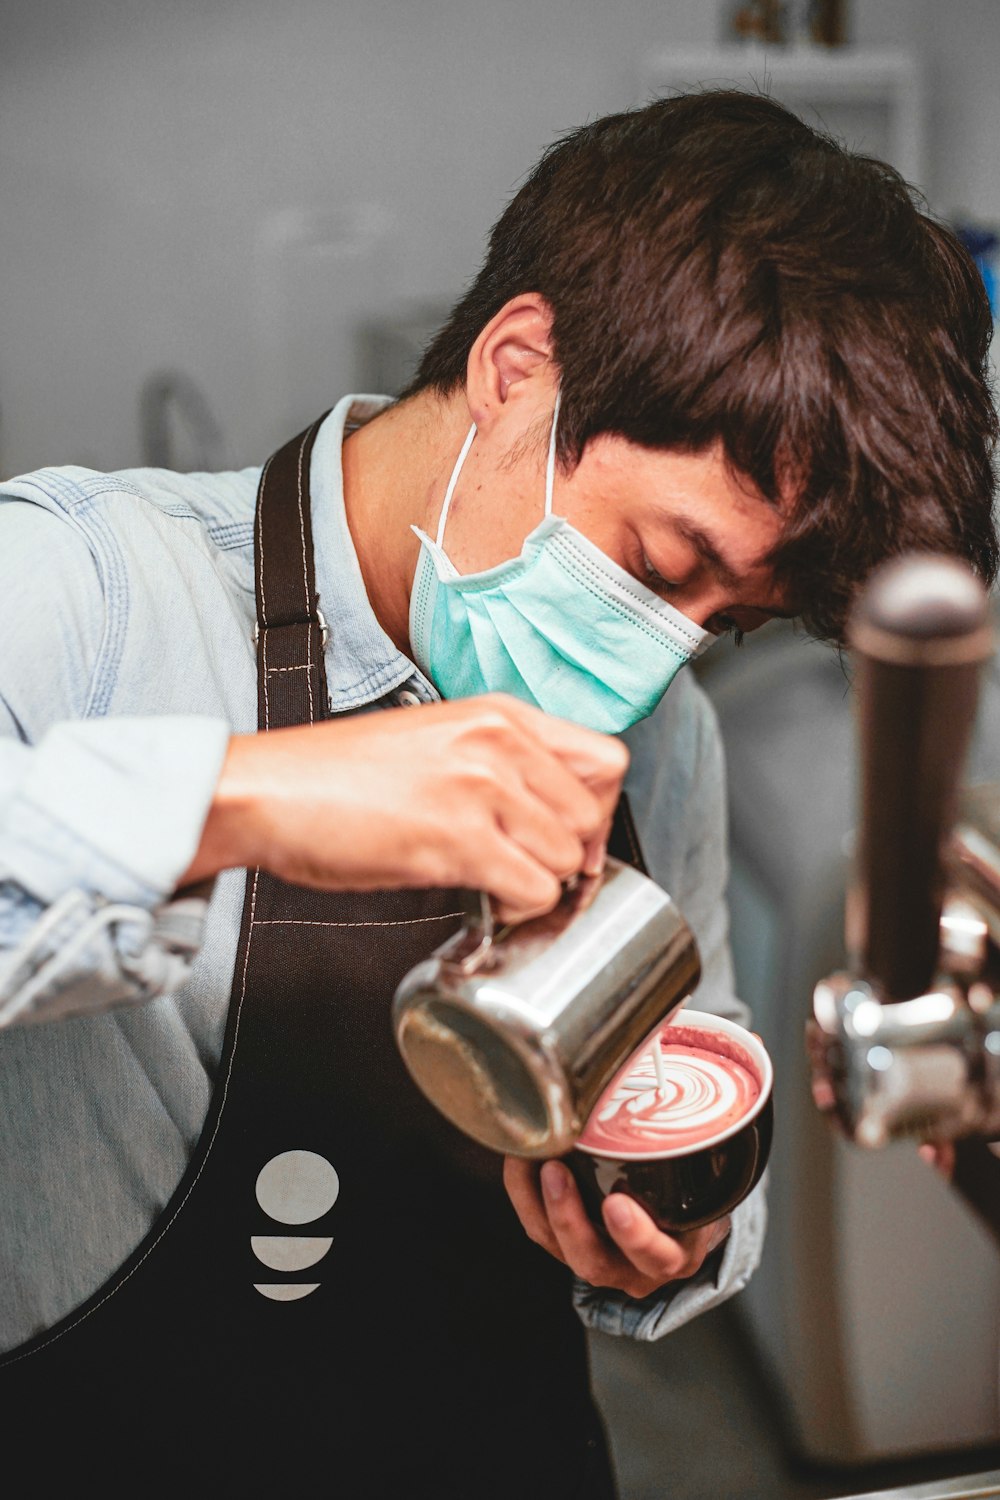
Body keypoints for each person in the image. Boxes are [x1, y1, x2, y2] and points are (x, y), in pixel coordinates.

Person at [0, 87, 996, 1497]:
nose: (667, 652)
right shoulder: (87, 592)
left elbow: (692, 1090)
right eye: (659, 567)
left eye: (726, 619)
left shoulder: (667, 745)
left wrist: (674, 1237)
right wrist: (240, 800)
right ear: (518, 365)